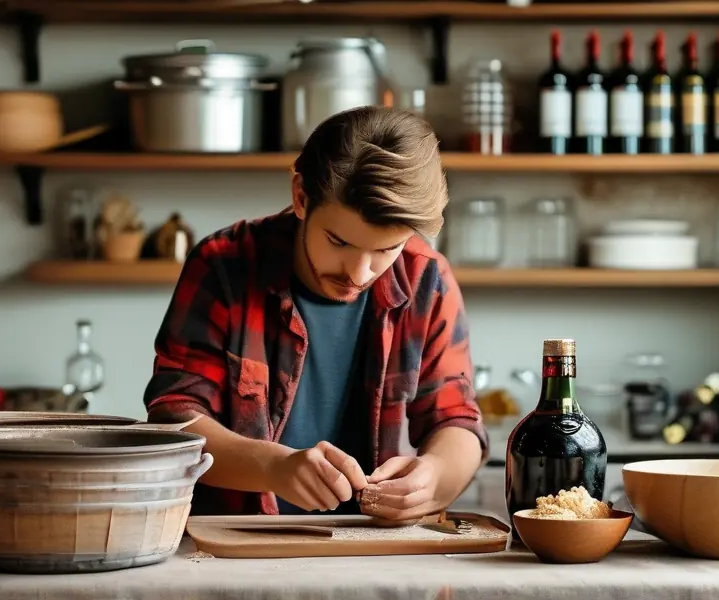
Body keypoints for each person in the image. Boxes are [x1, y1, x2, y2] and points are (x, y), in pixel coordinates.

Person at [143, 106, 489, 520]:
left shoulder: (426, 279)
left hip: (375, 548)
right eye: (339, 241)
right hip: (236, 547)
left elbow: (459, 422)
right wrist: (274, 467)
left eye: (385, 250)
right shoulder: (224, 265)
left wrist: (433, 477)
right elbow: (174, 420)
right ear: (301, 197)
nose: (359, 273)